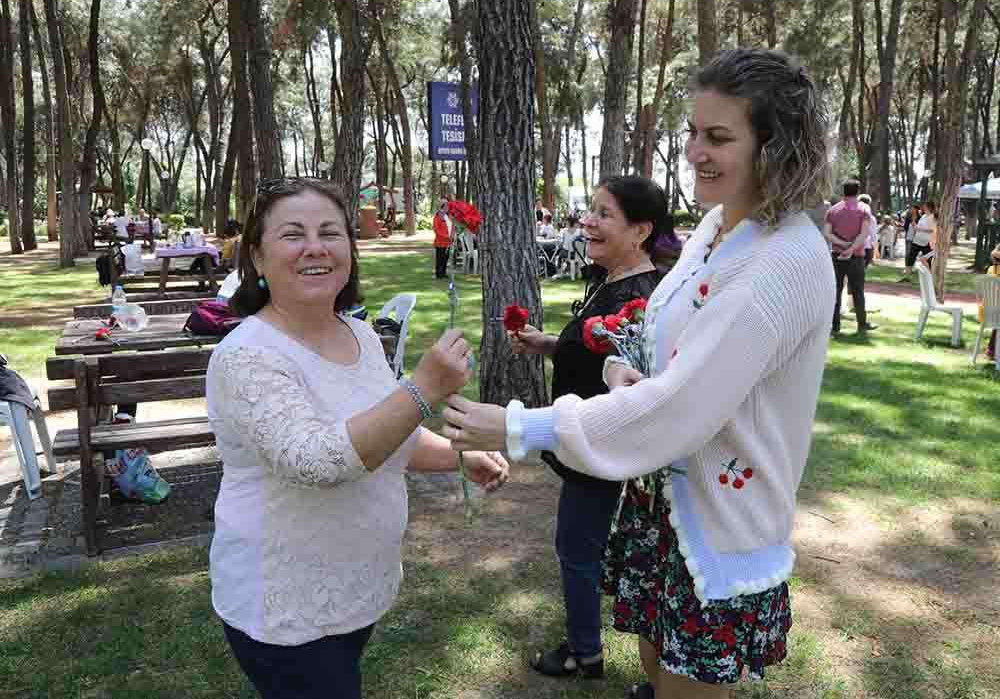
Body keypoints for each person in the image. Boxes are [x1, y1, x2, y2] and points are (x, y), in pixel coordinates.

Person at [442, 48, 835, 699]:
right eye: (692, 132)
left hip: (717, 527)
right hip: (661, 510)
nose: (694, 152)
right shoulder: (716, 226)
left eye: (718, 137)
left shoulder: (785, 259)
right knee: (653, 672)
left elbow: (680, 410)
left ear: (775, 145)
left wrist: (518, 424)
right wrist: (626, 366)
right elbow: (668, 344)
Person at [207, 177, 508, 699]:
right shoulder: (247, 356)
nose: (316, 247)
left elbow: (391, 434)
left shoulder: (359, 333)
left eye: (331, 232)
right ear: (256, 257)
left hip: (355, 589)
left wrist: (457, 457)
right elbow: (316, 461)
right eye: (293, 234)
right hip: (288, 606)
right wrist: (423, 388)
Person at [506, 176, 663, 681]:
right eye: (590, 211)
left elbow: (634, 374)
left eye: (604, 214)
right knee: (584, 546)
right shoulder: (611, 278)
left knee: (578, 548)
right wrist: (548, 344)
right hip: (587, 440)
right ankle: (589, 646)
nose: (588, 222)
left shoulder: (643, 297)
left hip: (602, 443)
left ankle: (583, 652)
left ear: (640, 230)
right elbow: (595, 350)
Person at [825, 180, 875, 334]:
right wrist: (852, 248)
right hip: (857, 256)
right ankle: (862, 324)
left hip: (837, 255)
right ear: (858, 192)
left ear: (843, 192)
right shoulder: (864, 209)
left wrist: (843, 245)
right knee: (858, 291)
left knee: (836, 290)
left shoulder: (832, 210)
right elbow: (864, 233)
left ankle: (835, 325)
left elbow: (827, 234)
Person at [433, 199, 453, 279]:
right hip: (440, 242)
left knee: (445, 258)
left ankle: (444, 273)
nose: (448, 207)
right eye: (446, 206)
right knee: (440, 258)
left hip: (448, 242)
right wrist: (446, 236)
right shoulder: (437, 216)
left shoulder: (448, 216)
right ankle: (438, 274)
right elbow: (436, 230)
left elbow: (452, 227)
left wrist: (452, 236)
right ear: (442, 206)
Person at [858, 193, 878, 267]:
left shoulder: (853, 215)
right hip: (866, 246)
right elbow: (873, 234)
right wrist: (875, 247)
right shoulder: (871, 218)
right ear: (869, 204)